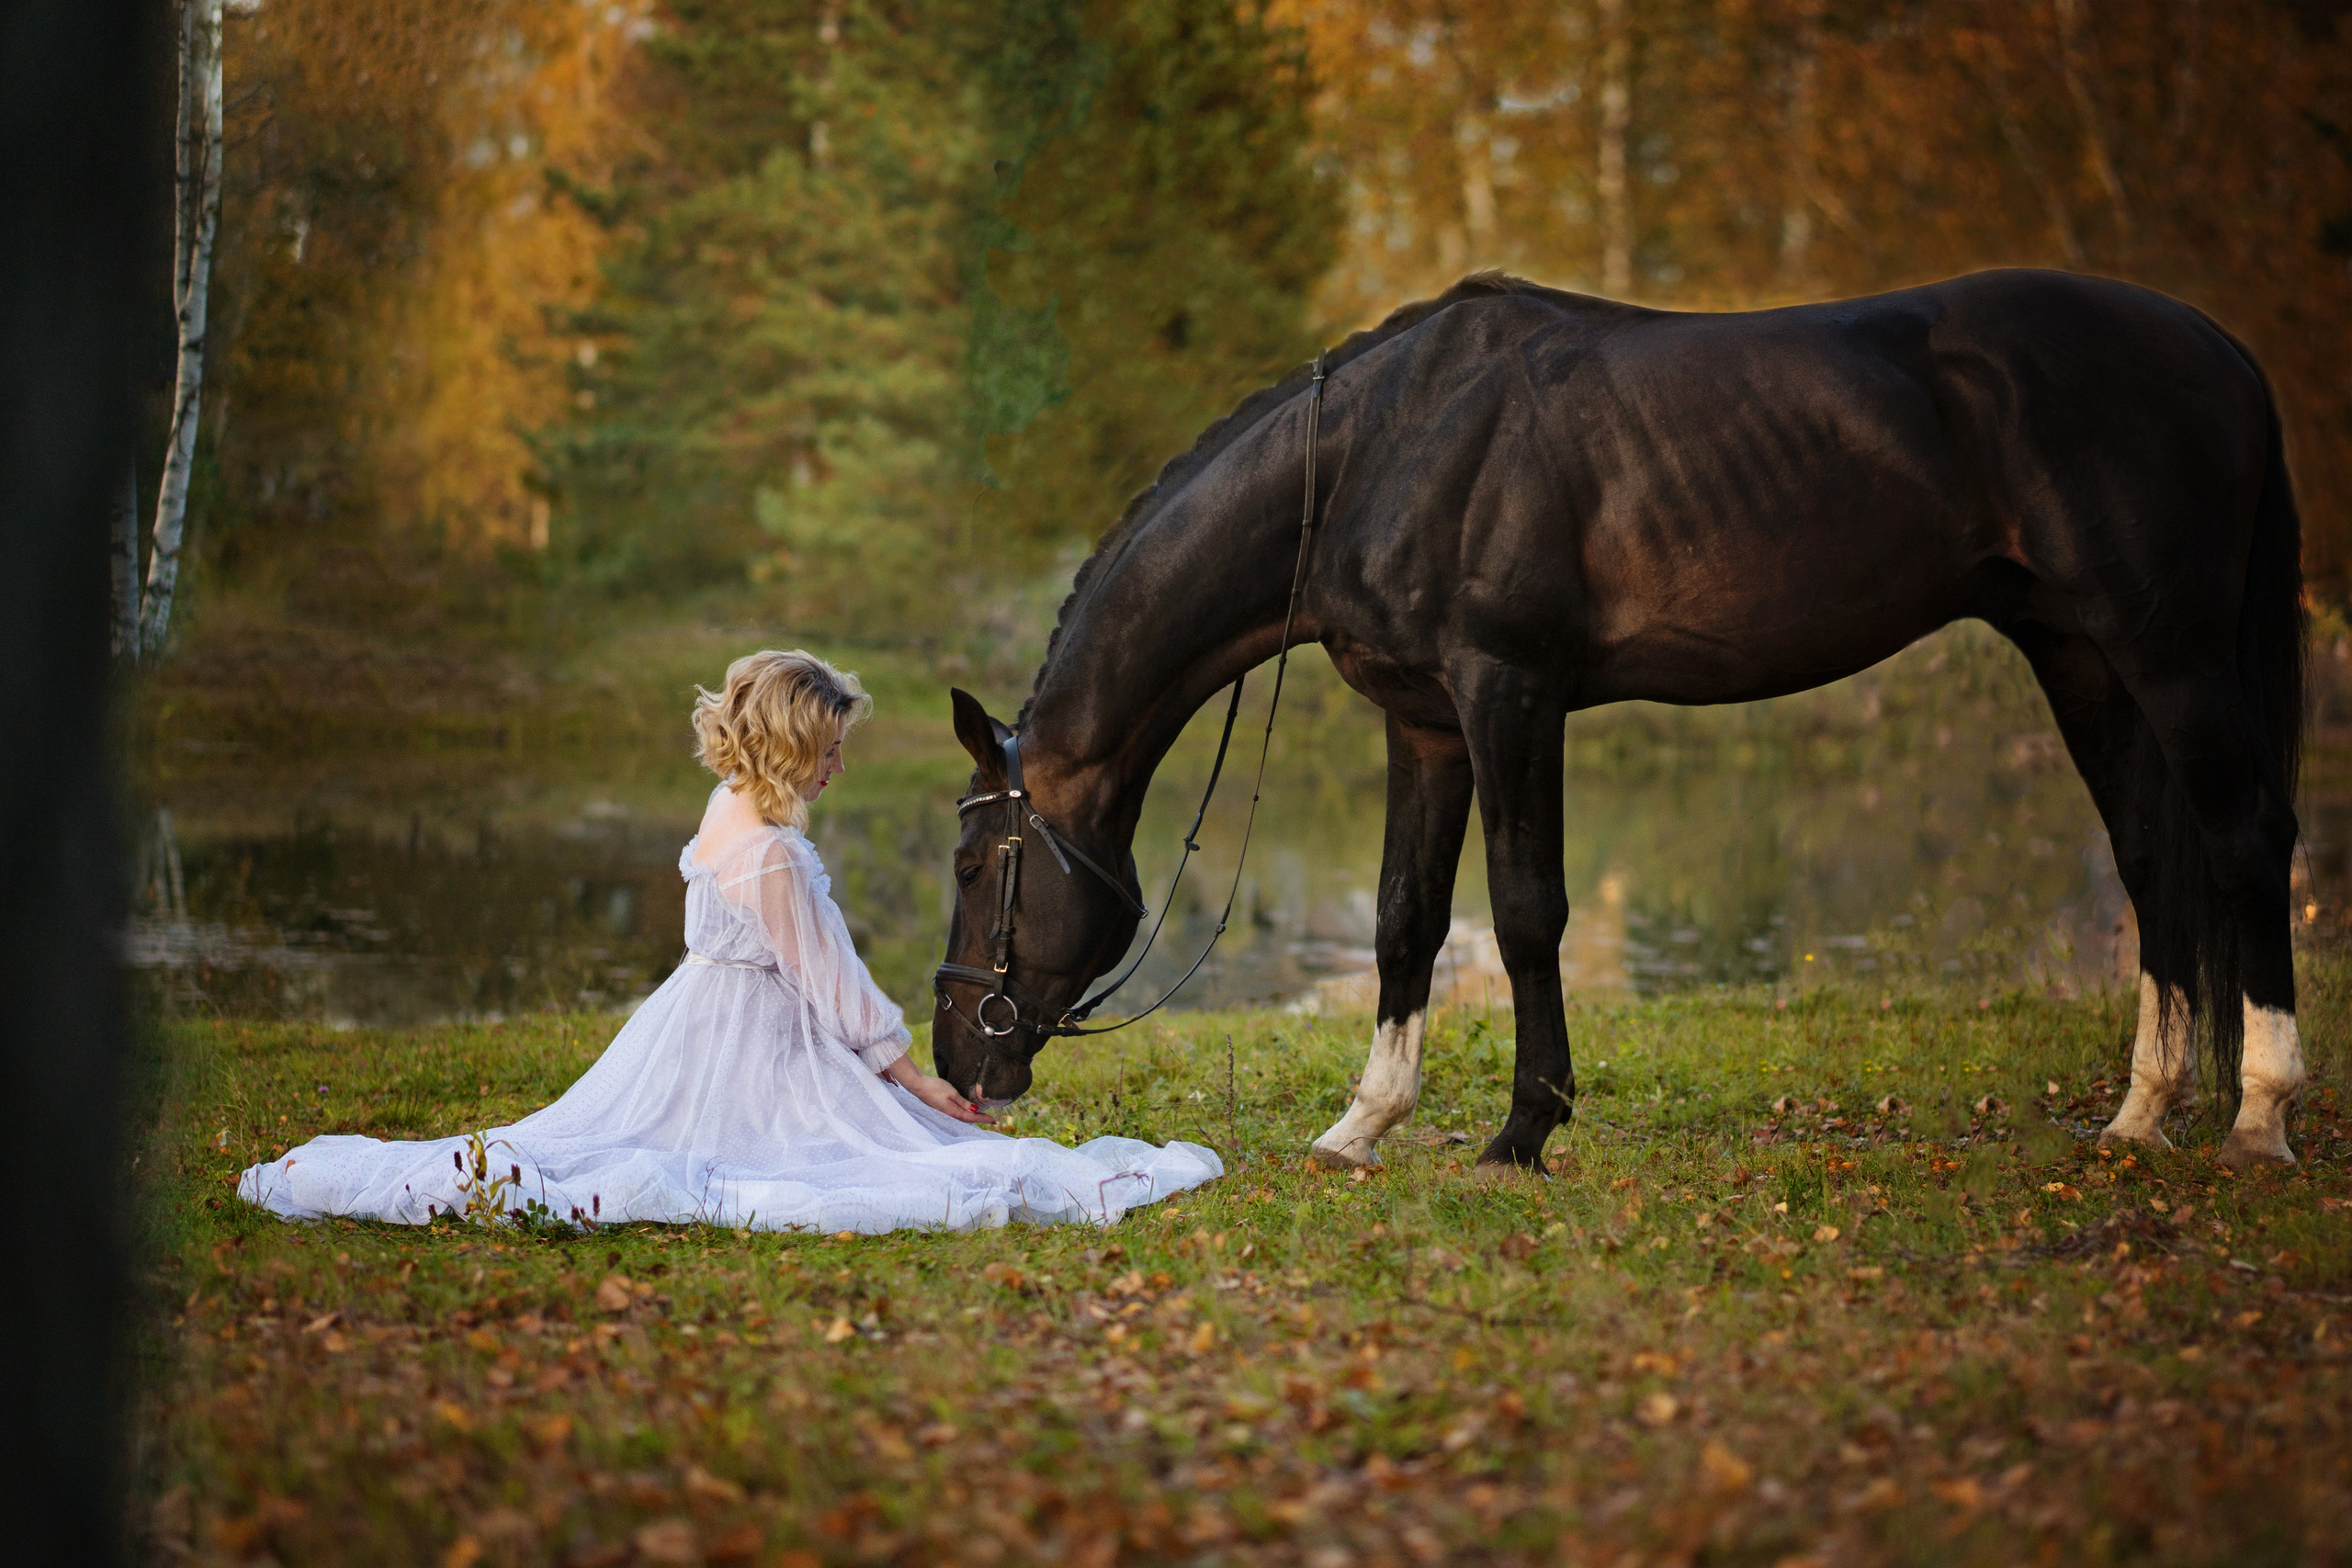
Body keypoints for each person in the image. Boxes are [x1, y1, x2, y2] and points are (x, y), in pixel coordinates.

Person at [237, 650, 1221, 1233]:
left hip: (688, 1021)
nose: (839, 768)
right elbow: (831, 985)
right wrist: (916, 1081)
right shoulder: (774, 857)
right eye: (830, 750)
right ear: (792, 748)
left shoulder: (728, 806)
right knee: (882, 1162)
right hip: (755, 1039)